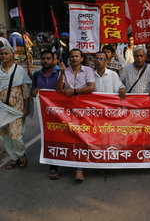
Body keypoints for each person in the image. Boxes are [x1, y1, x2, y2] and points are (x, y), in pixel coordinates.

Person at [55, 48, 95, 181]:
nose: (74, 58)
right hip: (68, 112)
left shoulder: (88, 71)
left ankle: (83, 167)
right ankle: (76, 168)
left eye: (77, 56)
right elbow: (59, 89)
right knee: (71, 139)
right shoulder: (65, 71)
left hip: (85, 111)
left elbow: (91, 87)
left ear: (81, 58)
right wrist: (61, 73)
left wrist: (75, 92)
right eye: (72, 56)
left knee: (83, 138)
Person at [31, 50, 61, 179]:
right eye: (43, 59)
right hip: (45, 114)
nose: (45, 61)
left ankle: (67, 159)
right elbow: (32, 90)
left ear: (54, 60)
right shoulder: (36, 74)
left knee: (63, 136)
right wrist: (34, 92)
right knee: (49, 137)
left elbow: (63, 90)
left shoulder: (60, 73)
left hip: (61, 112)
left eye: (48, 58)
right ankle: (53, 166)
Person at [0, 46, 31, 170]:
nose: (3, 56)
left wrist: (26, 108)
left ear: (11, 54)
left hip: (17, 109)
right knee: (5, 135)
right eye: (1, 54)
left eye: (6, 53)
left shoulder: (19, 70)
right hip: (2, 109)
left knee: (16, 135)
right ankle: (14, 158)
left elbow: (25, 91)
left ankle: (21, 155)